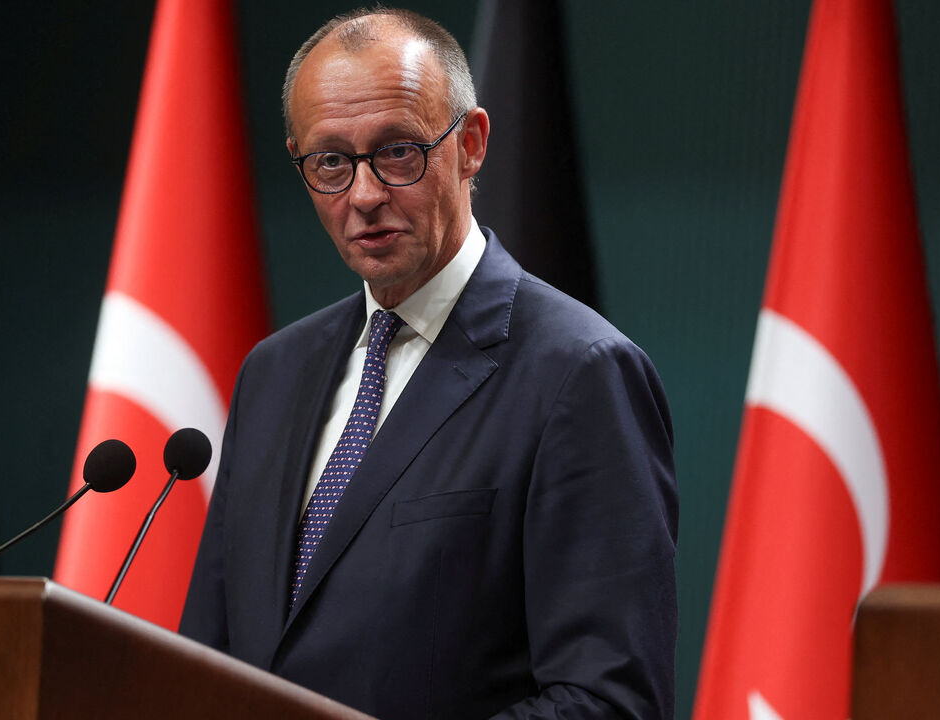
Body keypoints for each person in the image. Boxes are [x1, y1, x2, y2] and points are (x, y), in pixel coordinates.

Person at [179, 8, 677, 719]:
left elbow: (608, 701)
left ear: (470, 144)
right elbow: (206, 659)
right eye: (330, 162)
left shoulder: (579, 374)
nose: (364, 195)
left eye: (398, 151)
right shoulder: (274, 373)